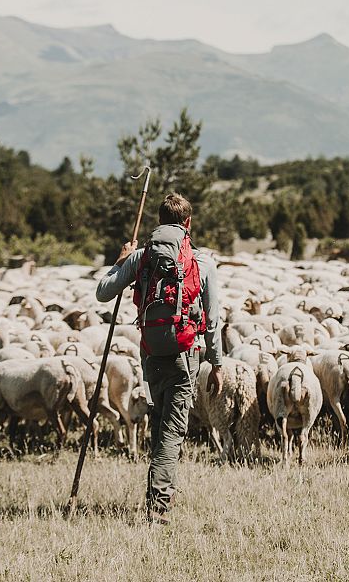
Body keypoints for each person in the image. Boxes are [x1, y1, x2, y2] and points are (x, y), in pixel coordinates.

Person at [95, 192, 223, 525]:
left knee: (159, 423)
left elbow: (103, 291)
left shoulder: (141, 258)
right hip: (185, 356)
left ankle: (159, 491)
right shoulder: (203, 262)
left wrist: (121, 260)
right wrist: (218, 363)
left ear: (159, 221)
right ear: (188, 223)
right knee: (172, 432)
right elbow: (212, 319)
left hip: (150, 356)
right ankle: (158, 506)